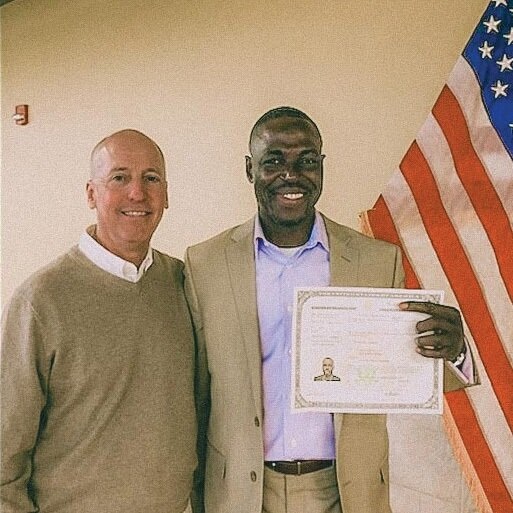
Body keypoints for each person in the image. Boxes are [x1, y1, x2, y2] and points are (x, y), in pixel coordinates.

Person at [184, 107, 476, 513]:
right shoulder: (205, 264)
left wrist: (455, 352)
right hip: (241, 494)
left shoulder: (377, 262)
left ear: (321, 167)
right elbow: (196, 396)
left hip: (346, 492)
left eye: (306, 161)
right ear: (250, 170)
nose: (291, 175)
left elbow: (408, 373)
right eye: (274, 161)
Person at [1, 129, 196, 513]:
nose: (137, 193)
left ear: (166, 195)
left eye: (151, 178)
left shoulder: (184, 285)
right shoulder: (41, 301)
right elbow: (5, 455)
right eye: (119, 178)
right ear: (91, 193)